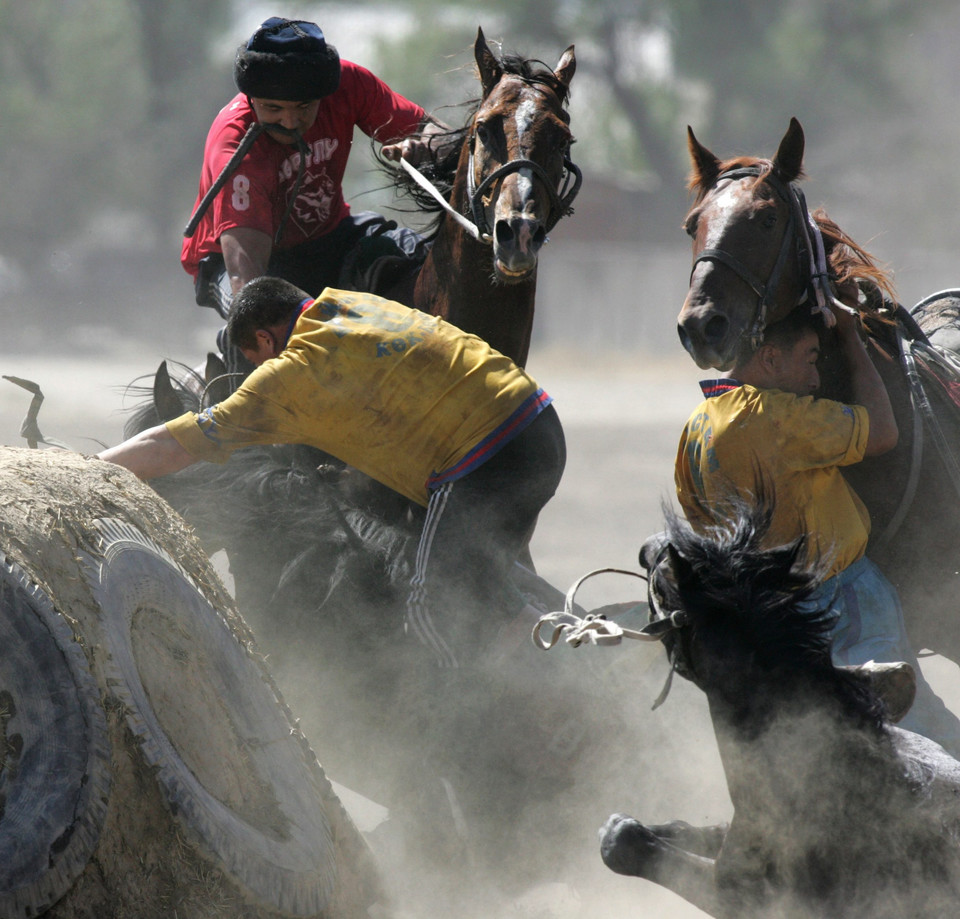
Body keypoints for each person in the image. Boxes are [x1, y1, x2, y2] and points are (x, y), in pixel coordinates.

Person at [98, 277, 566, 670]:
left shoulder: (292, 370)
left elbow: (172, 446)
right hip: (541, 427)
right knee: (486, 579)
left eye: (257, 359)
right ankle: (562, 649)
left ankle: (468, 713)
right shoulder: (353, 304)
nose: (263, 368)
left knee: (433, 602)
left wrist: (86, 471)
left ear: (263, 340)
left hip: (483, 456)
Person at [674, 304, 960, 755]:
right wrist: (850, 338)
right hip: (845, 602)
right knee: (925, 731)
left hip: (774, 620)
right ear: (769, 358)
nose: (815, 379)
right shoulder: (775, 415)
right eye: (809, 358)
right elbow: (883, 433)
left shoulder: (695, 427)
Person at [181, 17, 450, 375]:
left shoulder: (349, 84)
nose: (290, 122)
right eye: (273, 109)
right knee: (261, 324)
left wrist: (425, 147)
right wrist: (266, 324)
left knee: (422, 264)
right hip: (236, 260)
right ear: (251, 97)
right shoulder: (235, 147)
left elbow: (438, 134)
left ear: (325, 94)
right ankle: (229, 394)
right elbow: (247, 276)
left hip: (327, 235)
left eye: (304, 107)